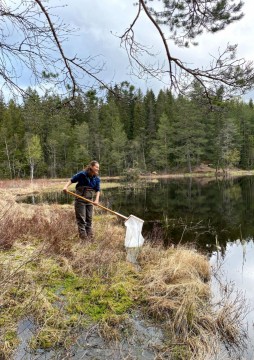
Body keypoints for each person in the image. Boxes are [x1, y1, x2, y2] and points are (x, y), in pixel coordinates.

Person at [63, 160, 100, 240]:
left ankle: (90, 237)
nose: (98, 169)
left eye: (98, 167)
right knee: (81, 220)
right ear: (91, 166)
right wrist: (65, 187)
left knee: (89, 219)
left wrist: (96, 200)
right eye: (96, 167)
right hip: (80, 200)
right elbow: (72, 180)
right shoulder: (82, 174)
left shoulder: (97, 178)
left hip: (90, 201)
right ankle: (84, 239)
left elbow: (98, 190)